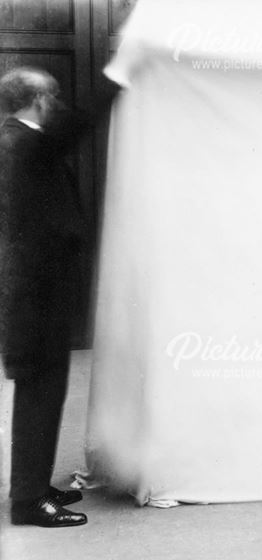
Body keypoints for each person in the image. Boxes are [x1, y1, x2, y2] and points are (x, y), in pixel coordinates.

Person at [0, 67, 95, 525]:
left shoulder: (13, 140)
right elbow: (75, 127)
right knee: (40, 394)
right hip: (34, 298)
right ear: (40, 101)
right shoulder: (23, 143)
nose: (56, 106)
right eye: (53, 98)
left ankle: (35, 486)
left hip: (33, 295)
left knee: (44, 393)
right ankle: (27, 501)